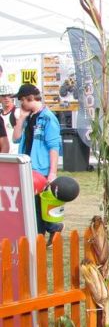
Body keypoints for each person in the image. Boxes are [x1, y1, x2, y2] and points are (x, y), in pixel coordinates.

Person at [11, 84, 63, 244]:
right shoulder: (28, 117)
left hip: (40, 168)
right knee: (32, 204)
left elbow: (54, 146)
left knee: (39, 204)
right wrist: (21, 119)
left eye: (22, 101)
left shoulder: (47, 118)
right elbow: (16, 138)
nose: (21, 105)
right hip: (26, 166)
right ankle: (46, 231)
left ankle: (47, 232)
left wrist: (52, 171)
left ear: (30, 98)